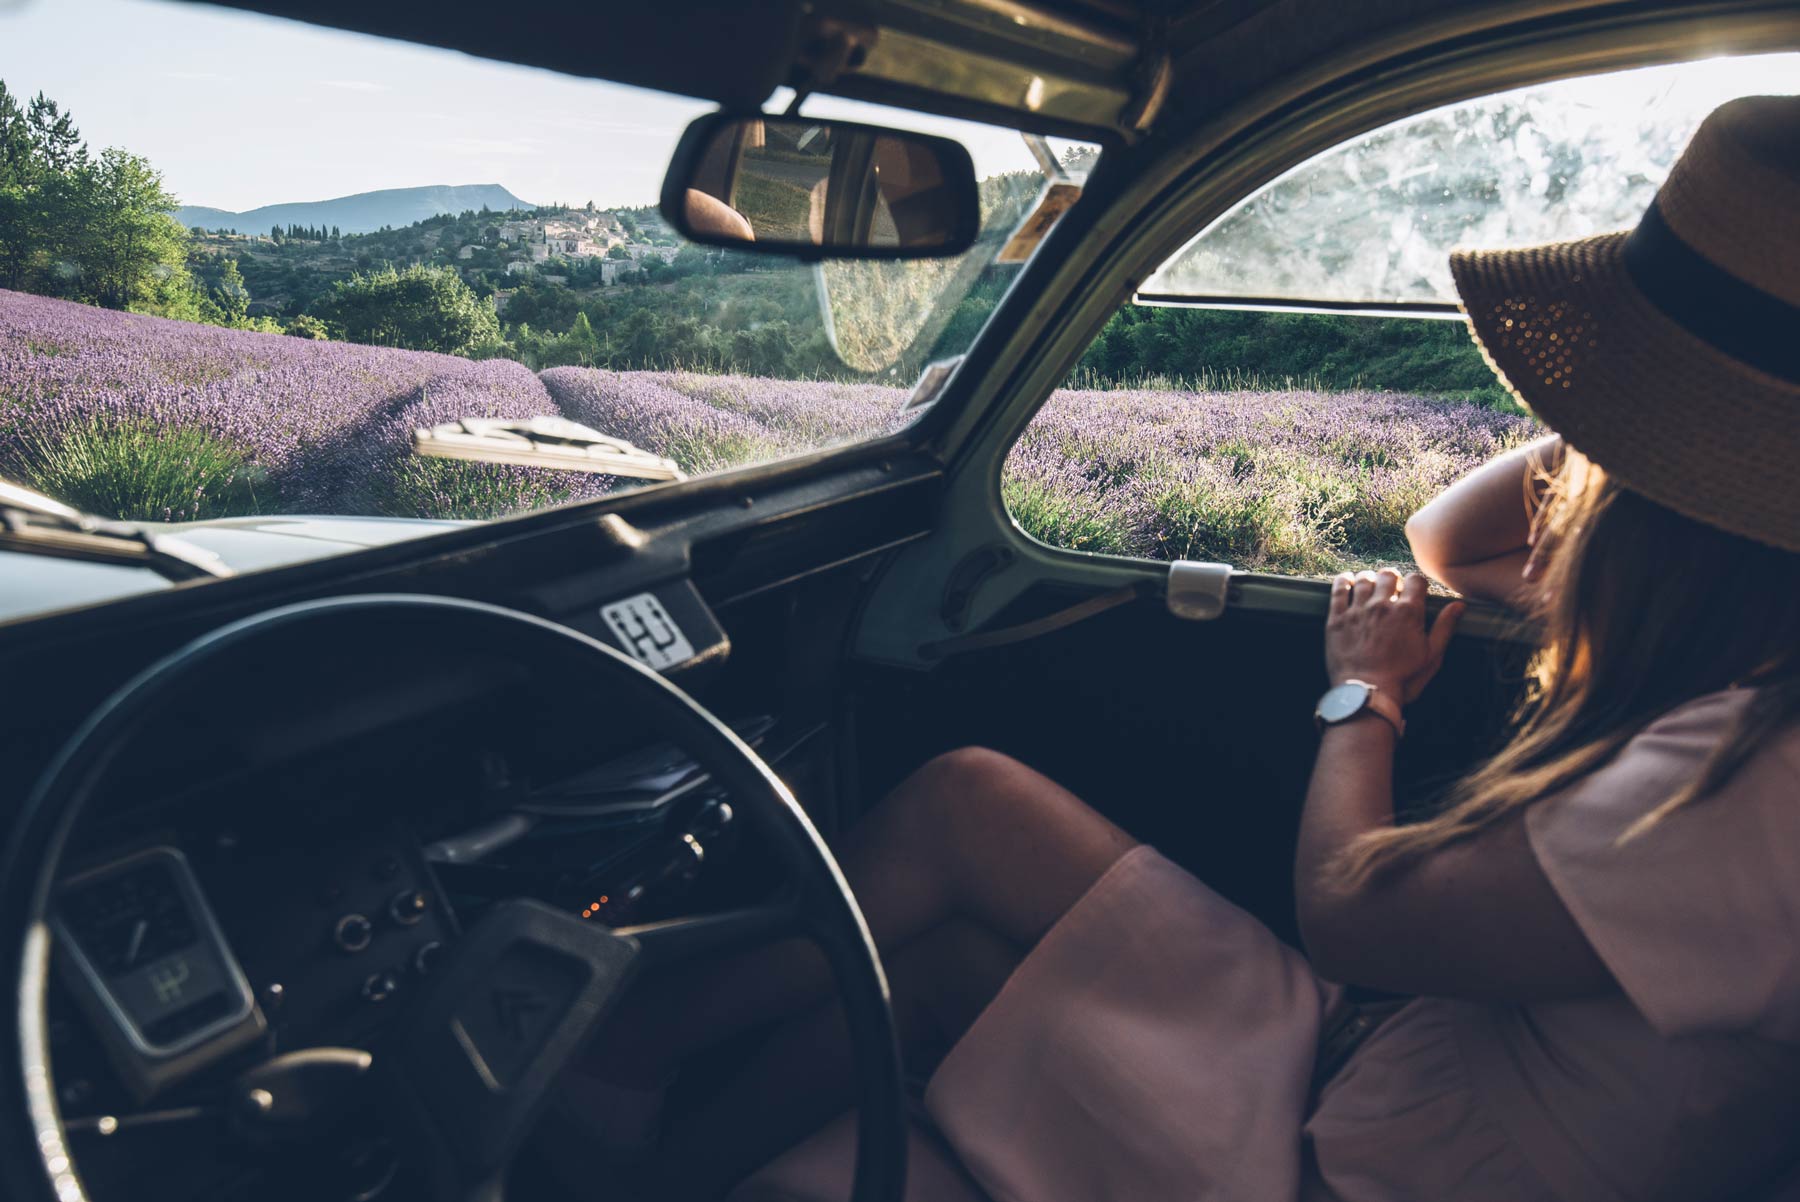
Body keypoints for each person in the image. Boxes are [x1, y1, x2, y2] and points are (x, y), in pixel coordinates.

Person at [575, 95, 1800, 1202]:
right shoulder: (1747, 658)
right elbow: (1450, 537)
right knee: (956, 890)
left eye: (1614, 448)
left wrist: (1364, 693)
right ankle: (620, 1131)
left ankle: (606, 1073)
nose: (1585, 476)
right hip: (1371, 1079)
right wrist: (1662, 418)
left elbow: (1352, 914)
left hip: (1345, 1164)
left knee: (960, 846)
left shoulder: (1757, 784)